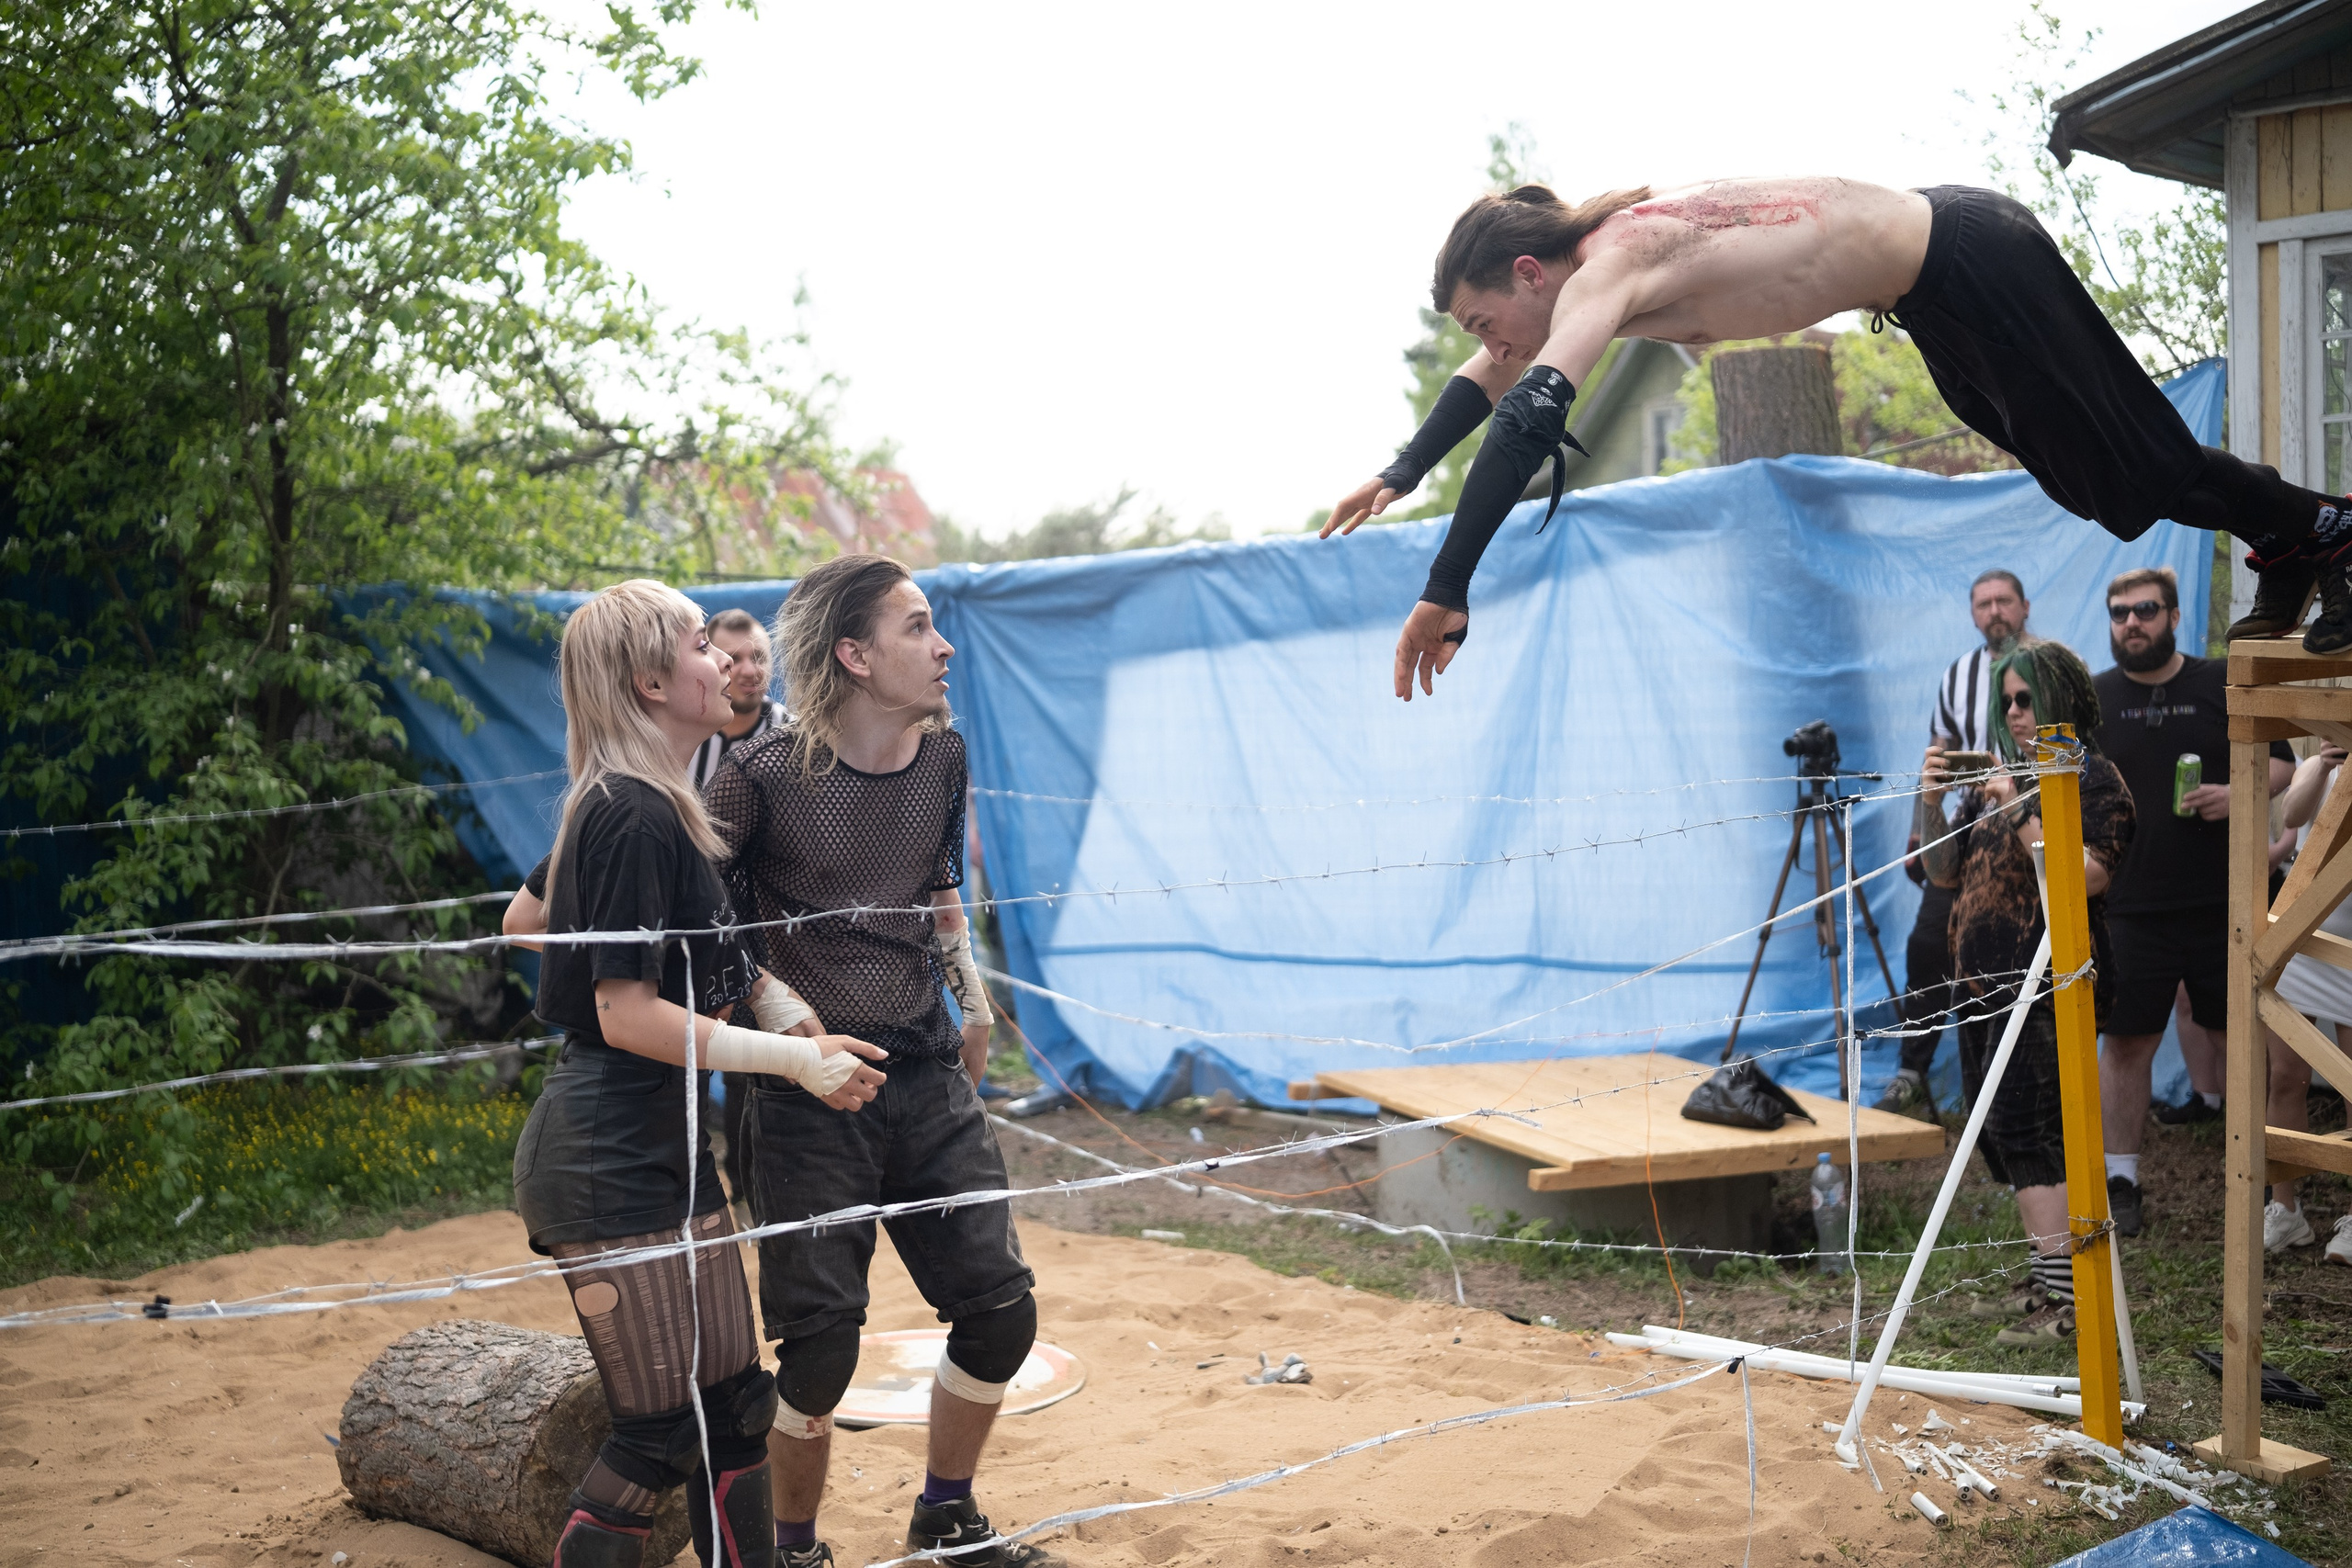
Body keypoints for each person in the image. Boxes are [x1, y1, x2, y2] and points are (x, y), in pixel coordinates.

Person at [1317, 179, 2352, 700]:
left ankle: (2324, 530)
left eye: (1477, 317)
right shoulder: (1573, 283)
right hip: (1936, 298)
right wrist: (1400, 471)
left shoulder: (1608, 268)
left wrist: (1446, 586)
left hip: (1972, 258)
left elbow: (1528, 418)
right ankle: (2295, 542)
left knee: (2145, 462)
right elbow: (1490, 380)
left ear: (1527, 277)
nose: (1483, 342)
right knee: (2105, 489)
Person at [507, 580, 886, 1568]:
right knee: (661, 1430)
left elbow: (525, 922)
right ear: (647, 680)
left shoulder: (650, 807)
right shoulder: (626, 814)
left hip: (666, 1145)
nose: (726, 660)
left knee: (733, 1404)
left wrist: (773, 1006)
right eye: (699, 645)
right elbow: (623, 1013)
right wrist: (793, 1060)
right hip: (605, 1158)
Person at [701, 554, 1043, 1568]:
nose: (943, 647)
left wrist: (972, 1000)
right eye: (917, 627)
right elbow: (704, 920)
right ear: (853, 654)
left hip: (925, 1067)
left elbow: (937, 882)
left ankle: (946, 1516)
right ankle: (797, 1551)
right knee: (817, 1355)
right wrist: (785, 1021)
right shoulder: (756, 776)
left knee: (999, 1314)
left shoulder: (944, 756)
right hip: (803, 1093)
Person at [1918, 638, 2132, 1345]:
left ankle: (2068, 1302)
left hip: (2045, 986)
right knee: (2002, 1137)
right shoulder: (2007, 777)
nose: (2012, 712)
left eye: (2026, 698)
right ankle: (2050, 1280)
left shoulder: (2092, 778)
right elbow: (1941, 872)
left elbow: (2085, 875)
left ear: (2063, 697)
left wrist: (2016, 807)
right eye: (2005, 700)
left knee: (2030, 1130)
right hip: (1979, 985)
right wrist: (1931, 799)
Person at [2089, 567, 2292, 1239]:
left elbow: (2286, 766)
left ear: (2174, 616)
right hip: (2129, 908)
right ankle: (2121, 1179)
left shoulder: (2216, 683)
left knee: (2240, 1040)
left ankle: (2259, 1185)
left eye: (2145, 610)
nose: (2131, 623)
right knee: (2126, 1045)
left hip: (2224, 903)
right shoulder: (2095, 699)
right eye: (2119, 613)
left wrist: (2238, 794)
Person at [1879, 569, 2031, 1119]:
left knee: (2004, 955)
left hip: (2028, 828)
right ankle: (1911, 1071)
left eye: (2004, 601)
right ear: (1973, 614)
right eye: (1984, 603)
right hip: (1967, 830)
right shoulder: (1958, 675)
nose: (1995, 611)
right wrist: (1923, 826)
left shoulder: (2052, 666)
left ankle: (1998, 1087)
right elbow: (1937, 754)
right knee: (1928, 944)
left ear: (2024, 606)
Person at [2265, 744, 2350, 1260]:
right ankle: (2286, 1210)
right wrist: (2321, 762)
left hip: (2351, 938)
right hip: (2300, 928)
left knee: (2349, 1079)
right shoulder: (2319, 756)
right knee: (2284, 1076)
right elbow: (2293, 814)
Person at [693, 607, 790, 789]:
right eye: (734, 658)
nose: (750, 671)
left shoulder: (795, 739)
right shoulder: (681, 729)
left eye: (759, 657)